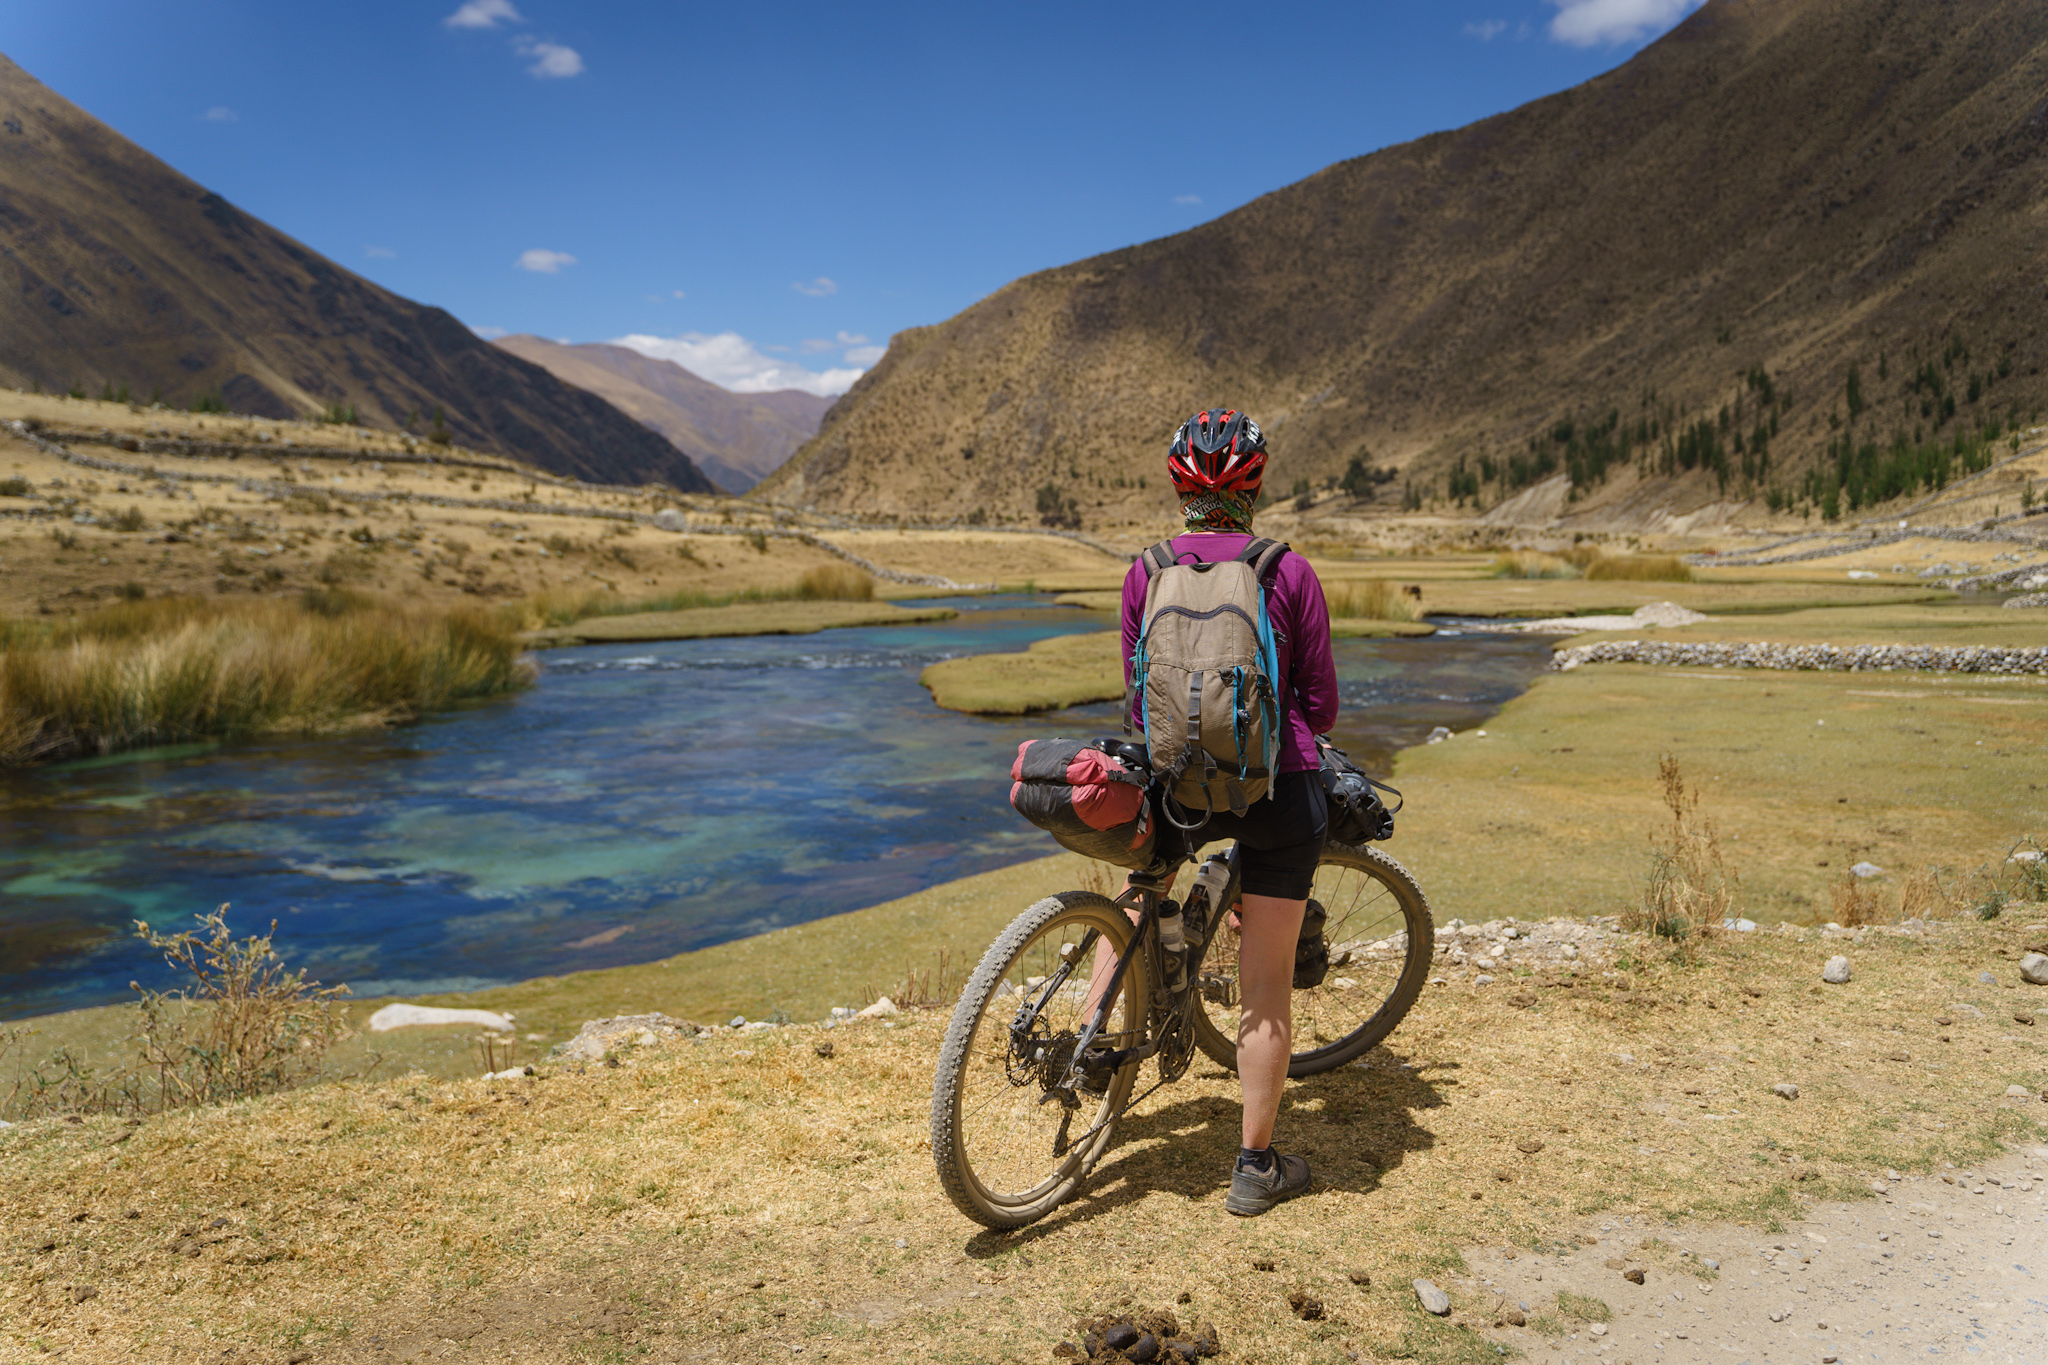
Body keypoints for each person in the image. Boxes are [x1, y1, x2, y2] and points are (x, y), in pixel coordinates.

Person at [1118, 407, 1339, 1217]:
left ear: (1180, 487)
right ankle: (1254, 1167)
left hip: (1177, 784)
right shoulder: (1288, 570)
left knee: (1138, 899)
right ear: (1255, 485)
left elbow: (1140, 700)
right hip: (1278, 788)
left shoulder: (1146, 570)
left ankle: (1098, 1045)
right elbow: (1321, 702)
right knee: (1265, 988)